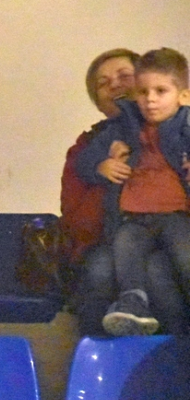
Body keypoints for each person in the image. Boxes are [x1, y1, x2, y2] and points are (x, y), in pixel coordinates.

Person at [61, 48, 189, 335]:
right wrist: (107, 171)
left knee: (161, 267)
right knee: (101, 268)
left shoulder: (183, 126)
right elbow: (76, 218)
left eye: (124, 76)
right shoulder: (94, 143)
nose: (115, 85)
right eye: (103, 83)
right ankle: (105, 353)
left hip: (175, 222)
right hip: (116, 233)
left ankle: (175, 353)